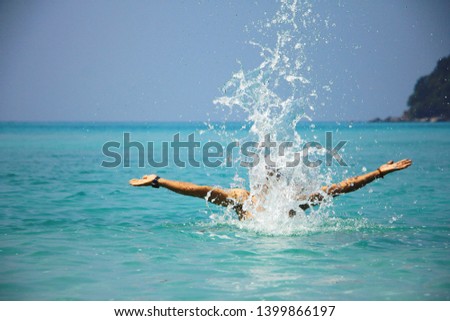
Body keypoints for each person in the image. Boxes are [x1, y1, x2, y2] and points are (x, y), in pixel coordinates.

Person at [129, 159, 412, 220]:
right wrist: (160, 181)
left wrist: (377, 173)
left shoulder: (293, 201)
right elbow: (199, 190)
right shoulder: (242, 199)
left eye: (274, 176)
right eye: (265, 176)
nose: (269, 181)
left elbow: (338, 188)